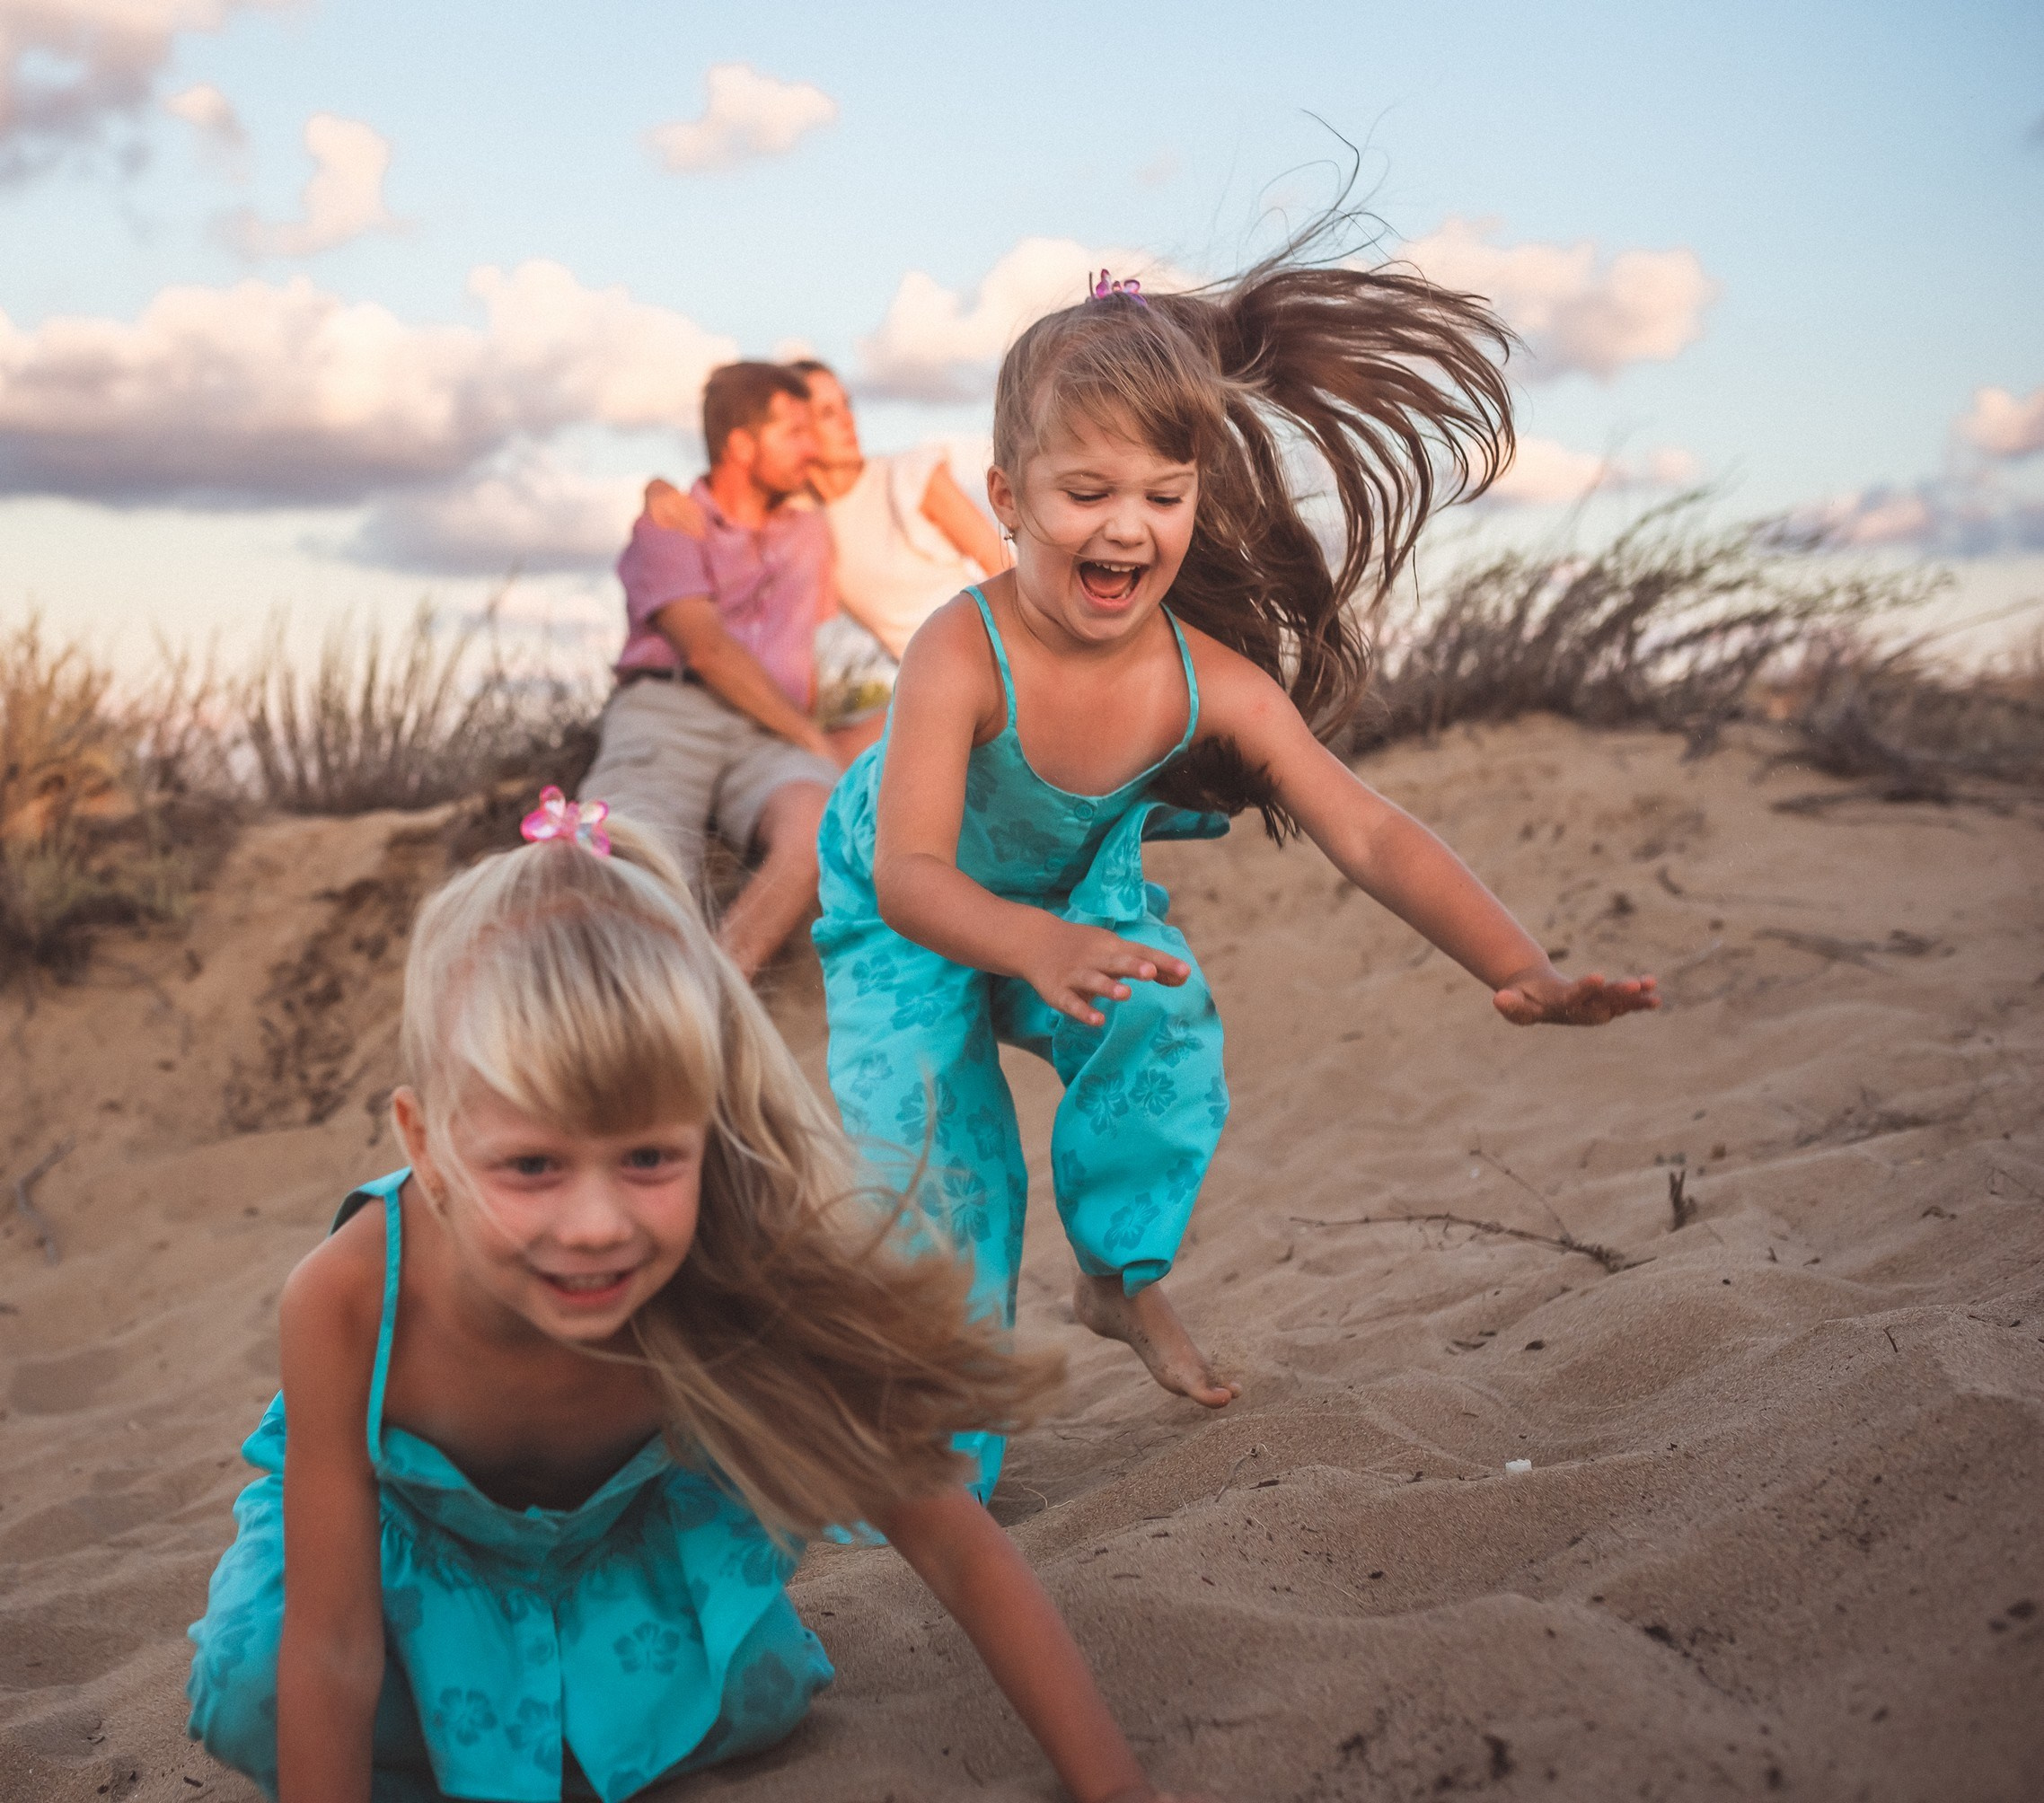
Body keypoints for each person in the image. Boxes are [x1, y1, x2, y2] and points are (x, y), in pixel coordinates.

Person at [811, 259, 1661, 1500]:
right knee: (941, 1178)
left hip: (1068, 894)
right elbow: (913, 877)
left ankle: (1119, 1275)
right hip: (904, 908)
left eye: (1162, 493)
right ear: (1007, 495)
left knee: (1162, 1019)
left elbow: (1367, 832)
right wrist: (1031, 949)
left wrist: (1517, 965)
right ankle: (928, 1473)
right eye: (1085, 490)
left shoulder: (1206, 678)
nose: (1126, 525)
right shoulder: (962, 649)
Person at [185, 796, 1208, 1803]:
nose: (594, 1225)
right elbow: (330, 1647)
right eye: (532, 1165)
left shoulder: (737, 1252)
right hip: (400, 1573)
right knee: (256, 1695)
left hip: (618, 1554)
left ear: (703, 1130)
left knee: (732, 1707)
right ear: (426, 1144)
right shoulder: (348, 1296)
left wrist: (1112, 1785)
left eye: (645, 1157)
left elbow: (954, 1542)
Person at [578, 361, 840, 980]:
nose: (813, 446)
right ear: (741, 445)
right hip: (672, 711)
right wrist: (811, 737)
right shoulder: (669, 523)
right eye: (794, 431)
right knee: (636, 853)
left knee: (821, 824)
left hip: (766, 735)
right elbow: (706, 650)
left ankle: (714, 994)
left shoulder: (809, 533)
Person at [647, 360, 1009, 760]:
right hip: (924, 680)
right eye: (826, 414)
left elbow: (1006, 567)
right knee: (817, 750)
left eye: (847, 406)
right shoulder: (801, 519)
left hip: (987, 657)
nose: (848, 421)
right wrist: (658, 488)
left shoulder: (907, 477)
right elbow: (729, 485)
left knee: (833, 754)